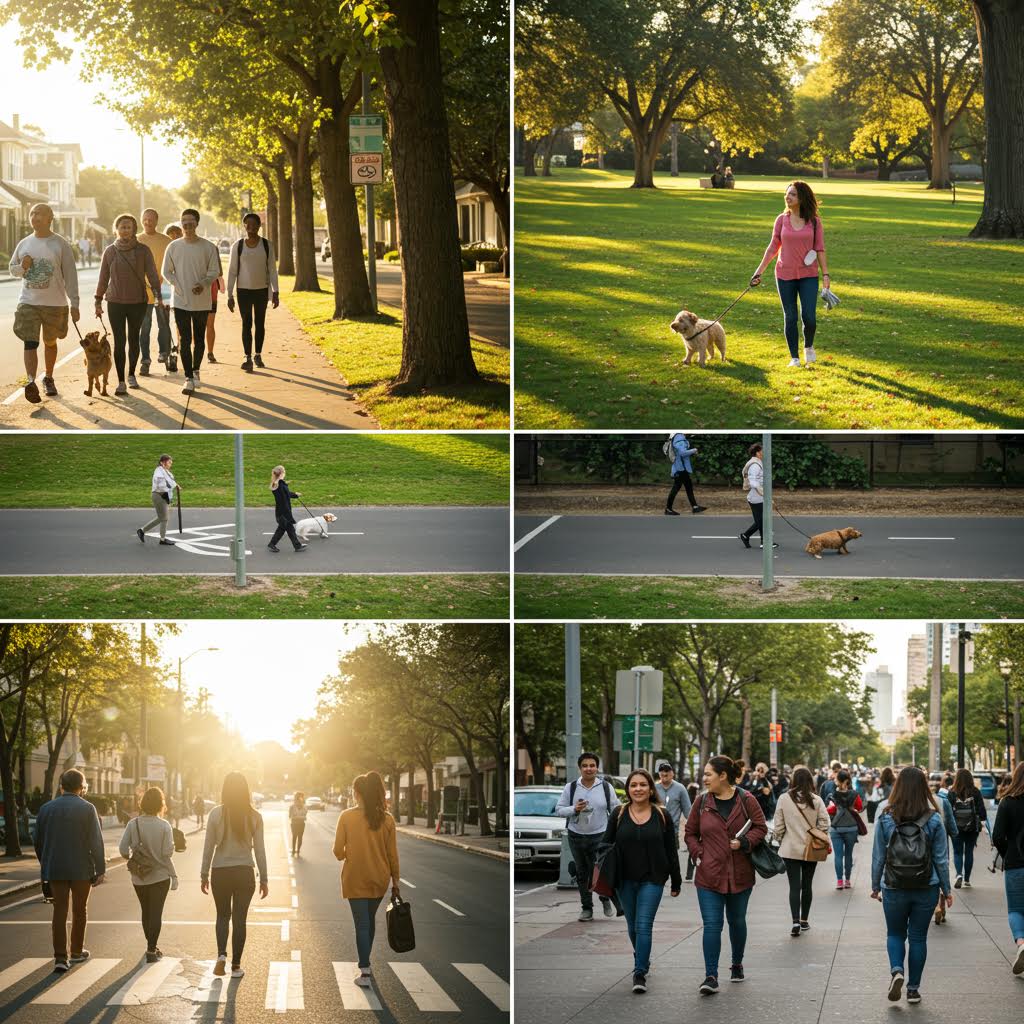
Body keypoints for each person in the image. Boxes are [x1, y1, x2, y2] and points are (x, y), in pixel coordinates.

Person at [683, 755, 767, 994]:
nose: (705, 778)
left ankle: (737, 963)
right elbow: (690, 833)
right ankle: (711, 975)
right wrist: (699, 853)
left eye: (708, 774)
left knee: (737, 921)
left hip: (740, 873)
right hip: (709, 875)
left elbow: (760, 828)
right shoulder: (701, 802)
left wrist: (744, 842)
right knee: (712, 924)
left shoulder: (746, 799)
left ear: (722, 776)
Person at [870, 765, 952, 1005]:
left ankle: (897, 970)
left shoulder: (886, 815)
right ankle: (913, 989)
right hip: (926, 886)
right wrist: (946, 890)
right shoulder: (934, 818)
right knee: (918, 938)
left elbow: (878, 856)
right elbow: (941, 859)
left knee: (895, 933)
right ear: (923, 788)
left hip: (894, 886)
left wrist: (876, 885)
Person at [600, 768, 680, 993]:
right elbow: (604, 845)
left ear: (650, 788)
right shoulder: (619, 813)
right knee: (633, 925)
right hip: (624, 879)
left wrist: (676, 881)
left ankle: (639, 972)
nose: (638, 789)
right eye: (633, 785)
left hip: (653, 879)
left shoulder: (662, 814)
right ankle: (641, 956)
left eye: (643, 785)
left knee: (644, 925)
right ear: (628, 789)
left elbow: (671, 851)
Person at [749, 180, 831, 368]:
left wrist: (825, 274)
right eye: (787, 193)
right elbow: (772, 248)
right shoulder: (781, 220)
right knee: (790, 316)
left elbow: (820, 249)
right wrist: (758, 272)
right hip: (784, 274)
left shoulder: (815, 222)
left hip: (808, 275)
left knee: (809, 316)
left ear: (802, 197)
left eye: (792, 194)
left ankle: (808, 346)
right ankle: (794, 358)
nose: (788, 197)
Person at [33, 769, 106, 972]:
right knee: (79, 910)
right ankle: (76, 951)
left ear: (61, 786)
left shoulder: (46, 809)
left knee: (60, 910)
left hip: (55, 867)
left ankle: (59, 958)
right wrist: (100, 868)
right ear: (82, 788)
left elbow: (37, 841)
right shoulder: (88, 808)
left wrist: (46, 862)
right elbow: (96, 843)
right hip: (82, 868)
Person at [333, 772, 400, 989]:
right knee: (369, 921)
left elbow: (337, 851)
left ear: (357, 793)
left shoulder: (346, 816)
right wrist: (396, 882)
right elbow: (392, 855)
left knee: (362, 924)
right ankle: (366, 965)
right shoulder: (387, 819)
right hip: (379, 879)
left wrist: (347, 853)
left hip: (355, 877)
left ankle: (364, 969)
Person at [9, 203, 80, 404]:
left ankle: (48, 377)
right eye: (32, 213)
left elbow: (71, 275)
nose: (35, 217)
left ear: (50, 218)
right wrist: (22, 267)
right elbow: (13, 269)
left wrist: (74, 303)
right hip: (28, 302)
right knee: (30, 341)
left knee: (50, 342)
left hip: (55, 304)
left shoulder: (60, 244)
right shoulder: (24, 244)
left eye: (40, 213)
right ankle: (31, 381)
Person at [201, 772, 268, 978]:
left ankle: (221, 955)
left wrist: (204, 873)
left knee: (222, 915)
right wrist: (264, 878)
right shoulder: (255, 816)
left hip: (220, 871)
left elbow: (208, 847)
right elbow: (260, 851)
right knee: (240, 919)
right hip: (244, 872)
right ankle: (236, 965)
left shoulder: (215, 814)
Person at [95, 214, 163, 396]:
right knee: (119, 341)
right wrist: (97, 300)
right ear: (116, 229)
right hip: (115, 302)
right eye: (122, 227)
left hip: (138, 302)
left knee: (134, 338)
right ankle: (121, 381)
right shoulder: (110, 251)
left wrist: (158, 295)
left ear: (134, 229)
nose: (125, 230)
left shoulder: (143, 250)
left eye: (128, 227)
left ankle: (132, 374)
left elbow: (152, 274)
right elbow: (103, 278)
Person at [161, 208, 222, 395]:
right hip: (180, 301)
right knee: (185, 340)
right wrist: (178, 287)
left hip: (202, 301)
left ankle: (196, 371)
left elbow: (215, 271)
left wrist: (203, 284)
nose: (187, 224)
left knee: (199, 339)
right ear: (181, 224)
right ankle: (188, 377)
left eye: (190, 221)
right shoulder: (173, 246)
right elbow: (166, 272)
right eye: (183, 221)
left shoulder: (208, 247)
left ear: (196, 223)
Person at [556, 752, 621, 921]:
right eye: (585, 766)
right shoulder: (570, 787)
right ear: (580, 768)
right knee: (582, 873)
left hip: (600, 835)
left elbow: (616, 810)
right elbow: (559, 810)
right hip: (576, 836)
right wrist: (574, 809)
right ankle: (587, 908)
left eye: (592, 765)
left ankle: (604, 897)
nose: (589, 769)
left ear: (597, 767)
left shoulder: (606, 787)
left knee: (600, 871)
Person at [119, 786, 178, 963]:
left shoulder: (133, 824)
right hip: (160, 877)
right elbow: (167, 852)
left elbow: (122, 849)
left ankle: (150, 946)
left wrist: (135, 857)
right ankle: (152, 948)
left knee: (146, 912)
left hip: (139, 877)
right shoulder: (164, 825)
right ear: (161, 804)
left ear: (143, 803)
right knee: (156, 913)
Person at [772, 766, 830, 936]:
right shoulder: (817, 800)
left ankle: (795, 922)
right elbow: (825, 824)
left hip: (790, 849)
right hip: (811, 849)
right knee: (807, 885)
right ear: (810, 781)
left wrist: (779, 838)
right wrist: (816, 834)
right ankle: (805, 920)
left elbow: (779, 827)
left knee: (794, 886)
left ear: (793, 780)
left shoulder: (784, 799)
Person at [226, 212, 280, 372]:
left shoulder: (266, 245)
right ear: (244, 226)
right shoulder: (238, 246)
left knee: (260, 324)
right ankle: (247, 356)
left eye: (254, 224)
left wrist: (275, 291)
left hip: (261, 291)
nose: (250, 227)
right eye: (247, 224)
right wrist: (229, 295)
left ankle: (258, 354)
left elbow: (272, 269)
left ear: (259, 226)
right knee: (246, 323)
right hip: (243, 291)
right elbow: (232, 271)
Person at [992, 762, 1024, 975]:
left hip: (1015, 861)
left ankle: (1021, 942)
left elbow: (997, 837)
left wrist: (1007, 854)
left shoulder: (1007, 802)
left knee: (1015, 909)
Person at [136, 209, 173, 372]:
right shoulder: (135, 239)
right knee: (144, 327)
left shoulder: (166, 241)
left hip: (162, 289)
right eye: (145, 219)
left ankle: (164, 352)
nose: (147, 222)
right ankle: (145, 360)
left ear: (157, 221)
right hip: (142, 291)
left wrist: (164, 280)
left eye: (151, 219)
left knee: (164, 324)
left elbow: (173, 265)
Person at [948, 768, 987, 889]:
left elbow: (948, 812)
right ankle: (967, 879)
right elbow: (982, 813)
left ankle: (959, 874)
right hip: (972, 828)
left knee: (957, 852)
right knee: (969, 852)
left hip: (956, 827)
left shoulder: (952, 792)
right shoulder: (975, 792)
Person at [827, 769, 862, 889]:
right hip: (851, 828)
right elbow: (860, 807)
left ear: (839, 780)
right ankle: (847, 880)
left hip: (836, 828)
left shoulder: (833, 795)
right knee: (848, 855)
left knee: (838, 856)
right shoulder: (854, 794)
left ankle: (839, 881)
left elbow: (830, 810)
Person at [738, 442, 776, 550]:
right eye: (763, 451)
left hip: (757, 497)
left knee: (761, 521)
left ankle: (748, 536)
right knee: (763, 521)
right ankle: (760, 541)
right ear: (758, 453)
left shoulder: (757, 462)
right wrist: (765, 494)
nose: (764, 453)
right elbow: (753, 482)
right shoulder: (755, 465)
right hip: (756, 498)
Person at [137, 454, 178, 546]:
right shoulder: (159, 472)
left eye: (171, 462)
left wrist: (176, 485)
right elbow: (162, 486)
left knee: (161, 518)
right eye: (169, 462)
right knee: (165, 518)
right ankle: (162, 539)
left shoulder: (164, 471)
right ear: (162, 463)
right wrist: (170, 488)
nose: (170, 464)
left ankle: (142, 531)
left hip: (163, 496)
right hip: (159, 496)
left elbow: (170, 481)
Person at [664, 432, 707, 516]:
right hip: (681, 468)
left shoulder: (678, 437)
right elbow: (682, 453)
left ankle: (695, 507)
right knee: (676, 488)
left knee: (688, 486)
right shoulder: (679, 437)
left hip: (680, 467)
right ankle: (668, 509)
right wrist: (694, 450)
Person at [268, 465, 308, 554]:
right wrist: (289, 515)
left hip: (280, 512)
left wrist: (295, 494)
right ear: (282, 473)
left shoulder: (276, 483)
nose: (285, 472)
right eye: (284, 471)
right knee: (290, 529)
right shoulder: (281, 484)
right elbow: (284, 498)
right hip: (284, 512)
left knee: (282, 529)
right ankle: (297, 546)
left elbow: (286, 494)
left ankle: (272, 544)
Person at [654, 761, 692, 848]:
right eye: (661, 770)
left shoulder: (680, 789)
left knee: (672, 860)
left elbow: (688, 812)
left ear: (672, 773)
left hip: (672, 832)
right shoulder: (654, 788)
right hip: (654, 831)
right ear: (659, 774)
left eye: (667, 770)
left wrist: (695, 830)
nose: (664, 773)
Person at [206, 274, 225, 362]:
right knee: (208, 325)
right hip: (203, 295)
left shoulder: (215, 259)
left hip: (209, 296)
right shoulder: (215, 260)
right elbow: (222, 288)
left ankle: (209, 352)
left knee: (206, 325)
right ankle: (209, 353)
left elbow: (220, 278)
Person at [290, 792, 308, 856]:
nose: (299, 800)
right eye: (297, 798)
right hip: (294, 824)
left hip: (301, 824)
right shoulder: (292, 807)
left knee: (300, 837)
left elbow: (305, 817)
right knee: (294, 837)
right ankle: (293, 850)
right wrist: (300, 817)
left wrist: (296, 817)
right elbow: (291, 816)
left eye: (300, 798)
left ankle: (298, 850)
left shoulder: (305, 807)